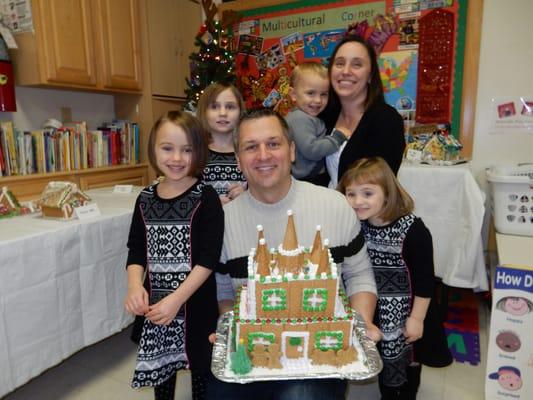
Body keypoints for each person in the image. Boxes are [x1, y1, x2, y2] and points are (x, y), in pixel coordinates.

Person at [210, 109, 379, 400]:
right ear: (238, 160)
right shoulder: (222, 222)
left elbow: (360, 275)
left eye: (273, 144)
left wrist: (359, 328)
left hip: (318, 353)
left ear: (291, 151)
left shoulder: (335, 206)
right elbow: (225, 292)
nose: (263, 155)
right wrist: (234, 334)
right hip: (253, 350)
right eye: (251, 147)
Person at [124, 110, 224, 400]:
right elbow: (136, 249)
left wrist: (177, 299)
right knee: (162, 371)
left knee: (200, 371)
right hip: (156, 301)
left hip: (195, 303)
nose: (177, 158)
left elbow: (208, 257)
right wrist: (133, 285)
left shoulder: (206, 197)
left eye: (187, 150)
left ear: (199, 152)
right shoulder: (145, 198)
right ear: (154, 148)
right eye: (167, 148)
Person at [337, 157, 452, 400]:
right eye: (351, 194)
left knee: (406, 363)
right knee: (382, 359)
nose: (358, 202)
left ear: (387, 194)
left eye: (367, 193)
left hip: (408, 312)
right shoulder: (355, 225)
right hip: (375, 309)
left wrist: (417, 318)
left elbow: (424, 281)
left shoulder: (413, 230)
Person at [320, 34, 406, 188]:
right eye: (339, 63)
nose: (345, 71)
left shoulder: (387, 121)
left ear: (370, 75)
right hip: (326, 208)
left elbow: (380, 187)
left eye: (357, 65)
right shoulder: (323, 116)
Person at [285, 62, 349, 185]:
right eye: (310, 93)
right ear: (293, 95)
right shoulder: (300, 119)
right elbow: (311, 150)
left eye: (324, 94)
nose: (318, 100)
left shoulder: (307, 116)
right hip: (309, 179)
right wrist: (337, 138)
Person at [197, 82, 247, 204]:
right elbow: (187, 193)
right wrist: (209, 203)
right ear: (204, 112)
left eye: (230, 107)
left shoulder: (249, 153)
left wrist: (248, 195)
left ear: (240, 112)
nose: (223, 113)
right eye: (214, 107)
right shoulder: (197, 155)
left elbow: (262, 187)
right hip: (208, 221)